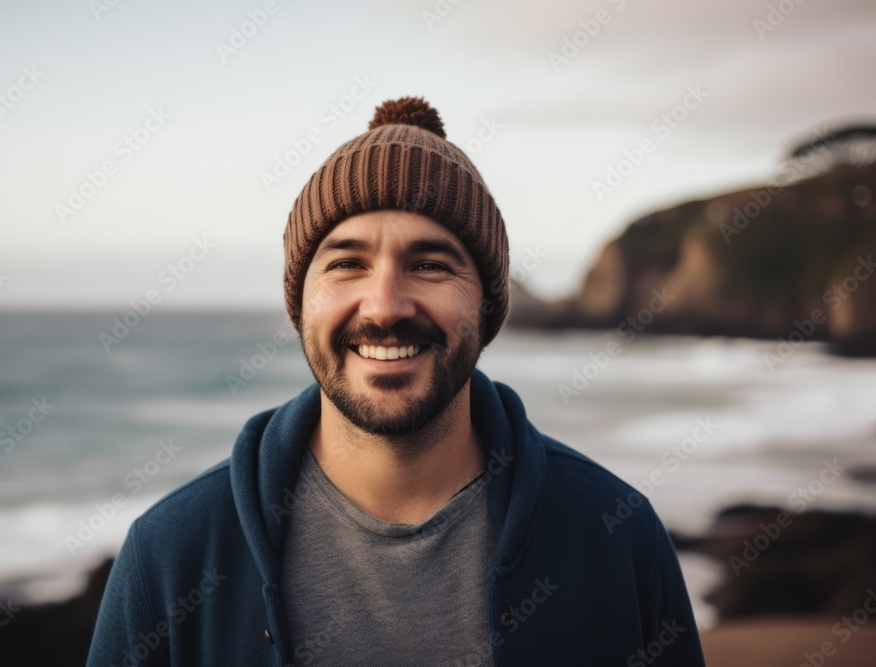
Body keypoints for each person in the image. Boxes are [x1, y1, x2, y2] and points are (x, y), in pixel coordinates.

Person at [87, 97, 706, 666]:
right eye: (347, 264)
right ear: (300, 304)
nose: (384, 306)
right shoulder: (170, 556)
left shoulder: (617, 538)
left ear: (487, 307)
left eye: (430, 265)